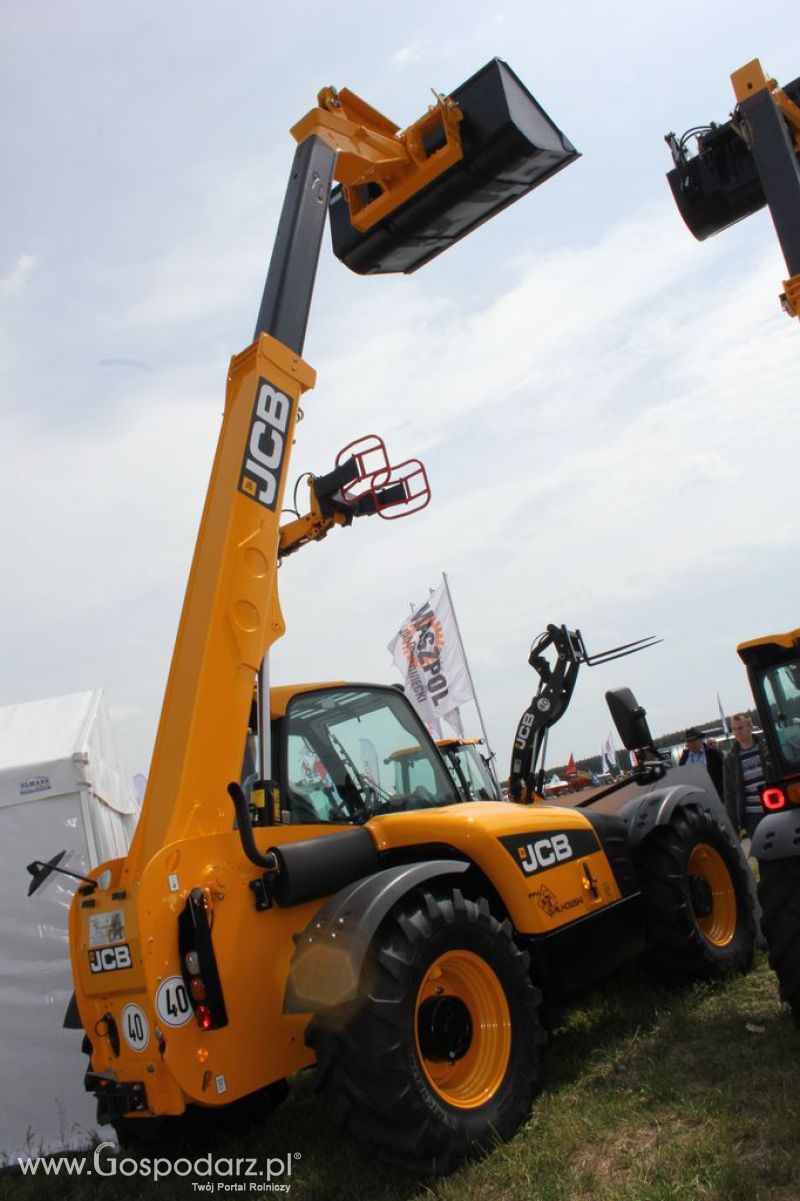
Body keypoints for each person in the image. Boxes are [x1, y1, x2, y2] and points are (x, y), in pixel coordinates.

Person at [723, 712, 770, 837]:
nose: (737, 732)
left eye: (740, 728)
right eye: (734, 729)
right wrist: (734, 825)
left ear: (750, 727)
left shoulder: (767, 748)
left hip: (774, 806)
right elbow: (729, 793)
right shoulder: (730, 759)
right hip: (752, 815)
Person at [679, 726, 724, 800]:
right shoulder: (684, 758)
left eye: (694, 740)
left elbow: (724, 775)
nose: (692, 744)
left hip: (715, 795)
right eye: (689, 741)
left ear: (701, 739)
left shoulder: (714, 754)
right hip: (694, 798)